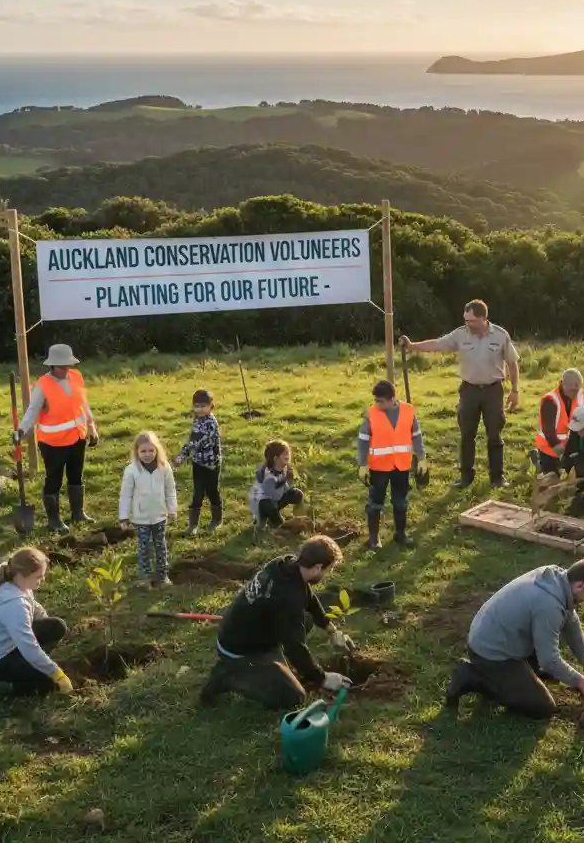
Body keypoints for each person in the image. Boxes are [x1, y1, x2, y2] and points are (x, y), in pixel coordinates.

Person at [444, 559, 584, 718]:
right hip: (490, 653)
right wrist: (582, 683)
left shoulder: (556, 578)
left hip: (502, 637)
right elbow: (549, 660)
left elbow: (572, 625)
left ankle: (522, 674)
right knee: (541, 707)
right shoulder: (549, 605)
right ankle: (471, 677)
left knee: (550, 672)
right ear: (580, 585)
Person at [199, 536, 353, 709]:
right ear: (318, 567)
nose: (327, 575)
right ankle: (228, 675)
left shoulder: (285, 564)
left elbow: (308, 597)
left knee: (306, 620)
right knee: (293, 696)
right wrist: (322, 678)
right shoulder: (287, 599)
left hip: (250, 629)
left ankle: (269, 664)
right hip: (240, 650)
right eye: (328, 570)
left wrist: (330, 629)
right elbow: (294, 648)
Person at [399, 299, 519, 489]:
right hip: (469, 390)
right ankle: (466, 477)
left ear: (482, 318)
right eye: (465, 319)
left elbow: (512, 363)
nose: (466, 323)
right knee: (466, 435)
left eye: (470, 320)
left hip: (493, 391)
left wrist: (515, 390)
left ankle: (497, 477)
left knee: (494, 435)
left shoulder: (500, 335)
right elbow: (437, 344)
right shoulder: (460, 334)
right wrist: (412, 346)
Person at [0, 547, 73, 698]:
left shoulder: (16, 583)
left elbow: (34, 607)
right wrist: (56, 673)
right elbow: (28, 645)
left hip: (7, 640)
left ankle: (29, 664)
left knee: (57, 626)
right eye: (39, 576)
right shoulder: (14, 604)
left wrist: (46, 623)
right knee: (46, 683)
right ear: (23, 575)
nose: (43, 579)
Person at [14, 343, 99, 533]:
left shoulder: (76, 377)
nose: (66, 369)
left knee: (76, 475)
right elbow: (32, 412)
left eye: (68, 365)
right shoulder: (43, 386)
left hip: (78, 436)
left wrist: (92, 425)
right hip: (53, 443)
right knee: (54, 480)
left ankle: (78, 513)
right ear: (52, 366)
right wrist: (21, 431)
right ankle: (54, 520)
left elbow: (83, 404)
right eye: (62, 366)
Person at [357, 380, 428, 550]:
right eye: (375, 400)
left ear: (392, 399)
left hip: (401, 466)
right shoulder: (372, 414)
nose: (377, 404)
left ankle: (400, 534)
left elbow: (416, 435)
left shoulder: (408, 411)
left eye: (380, 401)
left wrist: (422, 457)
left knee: (400, 501)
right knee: (375, 502)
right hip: (378, 467)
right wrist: (362, 464)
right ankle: (374, 539)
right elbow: (363, 440)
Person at [119, 431, 177, 589]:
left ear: (157, 450)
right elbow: (126, 495)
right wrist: (124, 516)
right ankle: (144, 579)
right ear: (137, 452)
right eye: (143, 451)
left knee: (160, 546)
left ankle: (162, 576)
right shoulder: (132, 470)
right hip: (140, 518)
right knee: (144, 547)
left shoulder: (164, 468)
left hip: (159, 516)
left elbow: (170, 490)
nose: (147, 454)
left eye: (151, 450)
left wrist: (172, 510)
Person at [174, 388, 223, 535]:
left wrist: (182, 456)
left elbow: (195, 442)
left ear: (211, 407)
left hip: (211, 464)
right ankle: (193, 524)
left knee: (212, 491)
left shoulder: (210, 423)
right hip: (198, 463)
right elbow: (193, 440)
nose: (200, 409)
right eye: (197, 406)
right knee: (197, 493)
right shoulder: (198, 420)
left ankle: (217, 520)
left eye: (203, 406)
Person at [533, 368, 584, 476]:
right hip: (550, 448)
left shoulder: (580, 394)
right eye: (572, 390)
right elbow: (548, 430)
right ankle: (537, 461)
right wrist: (559, 450)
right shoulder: (550, 400)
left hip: (571, 445)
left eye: (578, 389)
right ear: (563, 385)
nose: (576, 393)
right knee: (551, 480)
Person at [248, 440, 304, 530]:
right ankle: (271, 522)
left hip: (274, 500)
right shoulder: (268, 476)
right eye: (285, 454)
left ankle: (298, 516)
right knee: (270, 506)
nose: (288, 456)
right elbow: (272, 496)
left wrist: (288, 486)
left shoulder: (282, 468)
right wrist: (283, 482)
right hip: (263, 504)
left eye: (288, 453)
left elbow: (284, 488)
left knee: (296, 494)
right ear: (276, 458)